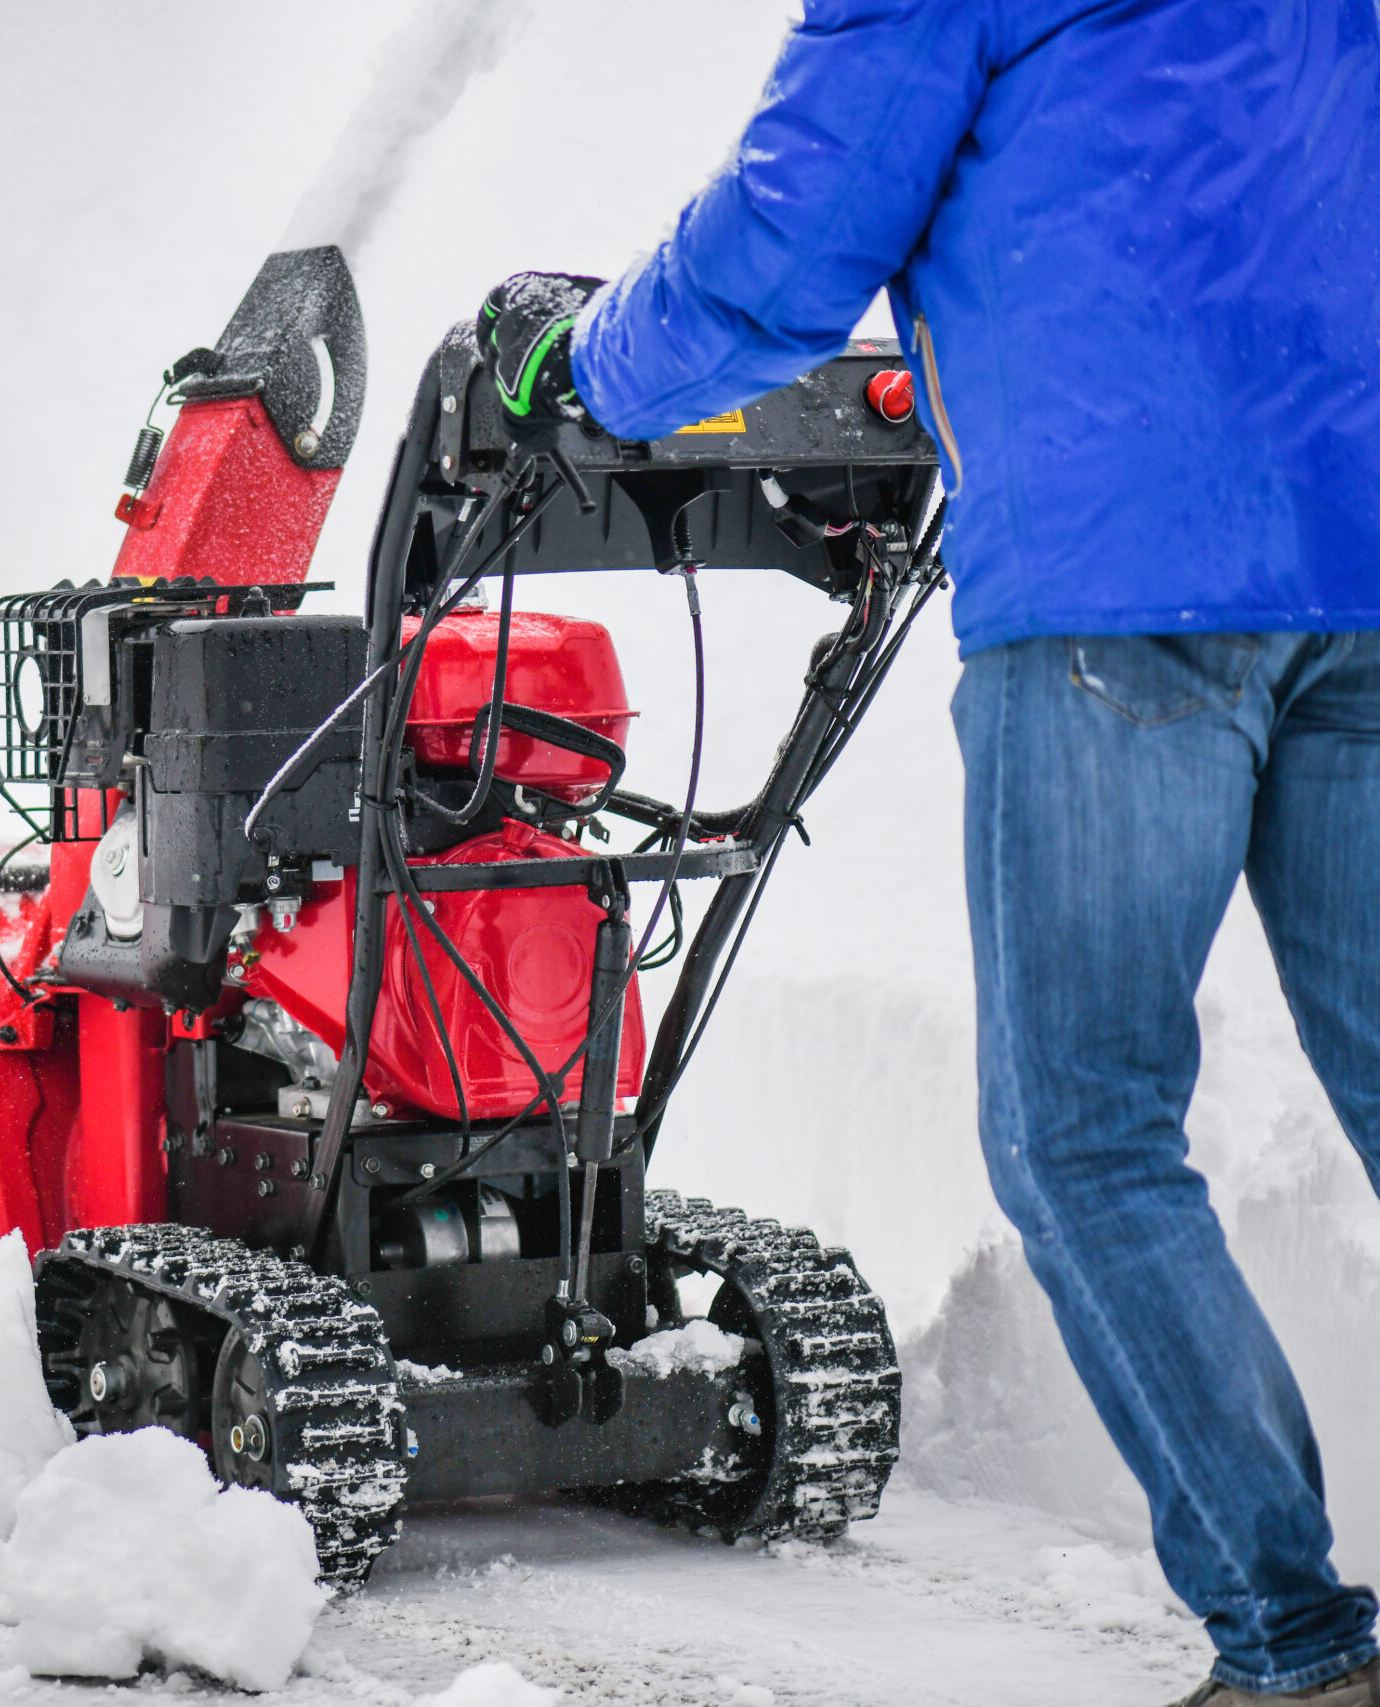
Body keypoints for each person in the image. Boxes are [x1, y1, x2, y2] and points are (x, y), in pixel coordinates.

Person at [477, 3, 1380, 1702]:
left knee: (1085, 1135)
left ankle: (1299, 1647)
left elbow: (781, 258)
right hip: (1369, 559)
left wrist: (579, 364)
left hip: (1124, 595)